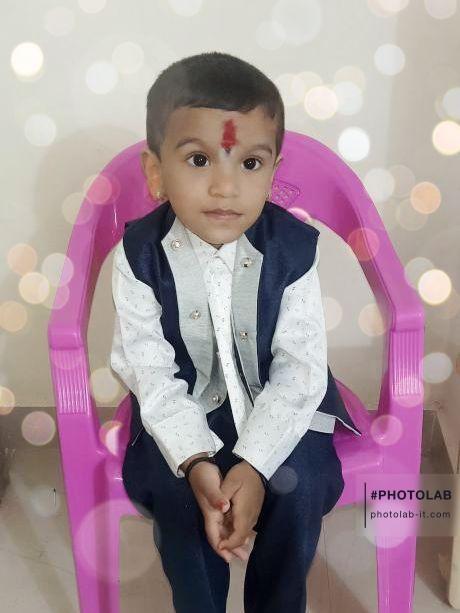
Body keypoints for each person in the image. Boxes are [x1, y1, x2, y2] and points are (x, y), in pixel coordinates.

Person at [110, 51, 361, 613]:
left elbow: (300, 367)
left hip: (282, 404)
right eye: (199, 159)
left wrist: (255, 464)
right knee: (179, 499)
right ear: (156, 172)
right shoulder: (139, 255)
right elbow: (148, 368)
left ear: (273, 170)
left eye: (249, 163)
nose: (226, 187)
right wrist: (197, 460)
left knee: (298, 486)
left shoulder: (293, 250)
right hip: (182, 410)